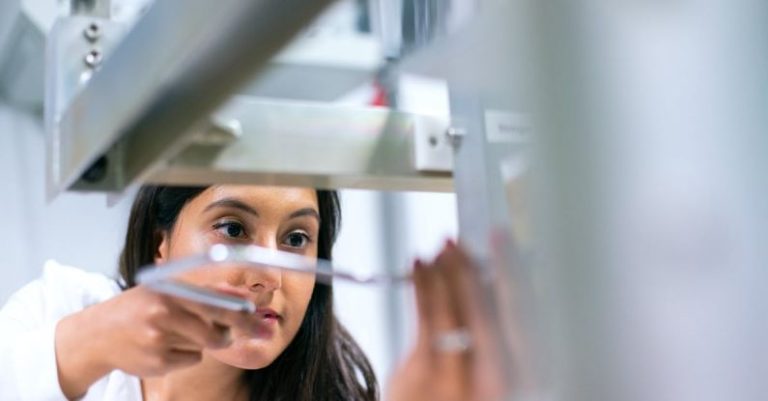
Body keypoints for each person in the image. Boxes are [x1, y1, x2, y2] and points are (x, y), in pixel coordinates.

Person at [0, 184, 512, 401]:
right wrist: (86, 345)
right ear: (162, 243)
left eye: (295, 240)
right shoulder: (61, 306)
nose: (270, 274)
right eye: (233, 229)